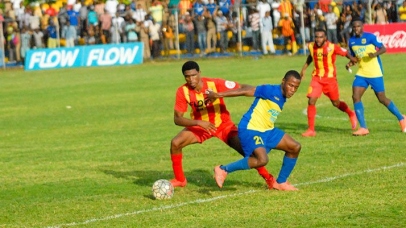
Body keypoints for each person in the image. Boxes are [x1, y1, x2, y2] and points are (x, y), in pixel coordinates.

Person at [170, 61, 276, 189]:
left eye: (194, 75)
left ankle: (270, 180)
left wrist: (259, 91)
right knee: (176, 143)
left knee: (249, 152)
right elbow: (177, 119)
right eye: (187, 76)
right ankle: (180, 179)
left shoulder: (214, 84)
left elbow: (241, 86)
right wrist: (198, 122)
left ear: (199, 73)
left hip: (224, 125)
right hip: (201, 127)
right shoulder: (182, 91)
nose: (191, 79)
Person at [207, 70, 302, 191]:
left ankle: (281, 182)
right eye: (290, 85)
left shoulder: (282, 96)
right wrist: (217, 95)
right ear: (283, 82)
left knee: (295, 147)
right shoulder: (270, 90)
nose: (292, 90)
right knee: (262, 160)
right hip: (251, 129)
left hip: (267, 130)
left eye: (296, 87)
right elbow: (246, 91)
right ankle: (223, 169)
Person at [346, 18, 406, 136]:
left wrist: (374, 54)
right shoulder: (351, 41)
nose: (356, 29)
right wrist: (350, 63)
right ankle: (363, 127)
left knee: (382, 99)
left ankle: (401, 118)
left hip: (375, 72)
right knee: (355, 96)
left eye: (358, 26)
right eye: (354, 27)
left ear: (362, 27)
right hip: (362, 72)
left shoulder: (370, 37)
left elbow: (384, 48)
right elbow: (356, 58)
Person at [300, 28, 358, 137]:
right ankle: (311, 130)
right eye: (316, 37)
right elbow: (311, 56)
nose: (318, 39)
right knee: (311, 101)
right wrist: (303, 69)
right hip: (316, 78)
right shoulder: (311, 46)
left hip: (330, 80)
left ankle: (351, 113)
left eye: (321, 37)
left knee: (336, 103)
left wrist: (352, 59)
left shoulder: (332, 47)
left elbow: (345, 52)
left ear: (325, 38)